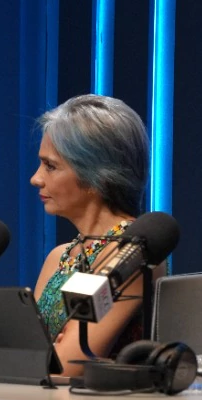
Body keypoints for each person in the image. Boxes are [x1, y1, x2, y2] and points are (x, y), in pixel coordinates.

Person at [29, 94, 152, 372]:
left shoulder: (134, 253)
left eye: (50, 166)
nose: (36, 178)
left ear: (97, 175)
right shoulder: (58, 257)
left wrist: (49, 351)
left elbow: (69, 364)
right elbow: (29, 354)